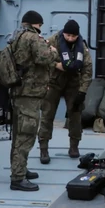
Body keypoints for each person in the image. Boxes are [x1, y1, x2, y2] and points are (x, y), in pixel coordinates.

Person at [8, 10, 57, 191]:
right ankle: (17, 178)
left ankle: (20, 168)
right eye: (40, 25)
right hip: (29, 94)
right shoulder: (33, 37)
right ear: (36, 24)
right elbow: (43, 58)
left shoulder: (16, 36)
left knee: (18, 134)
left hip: (18, 91)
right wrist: (53, 52)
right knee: (26, 135)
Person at [37, 19, 92, 163]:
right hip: (53, 82)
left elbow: (87, 69)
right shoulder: (52, 41)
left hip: (73, 83)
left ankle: (74, 146)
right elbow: (41, 58)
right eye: (68, 35)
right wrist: (56, 65)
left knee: (75, 115)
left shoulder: (82, 47)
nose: (70, 39)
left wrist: (82, 92)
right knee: (47, 114)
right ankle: (43, 148)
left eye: (73, 36)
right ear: (64, 33)